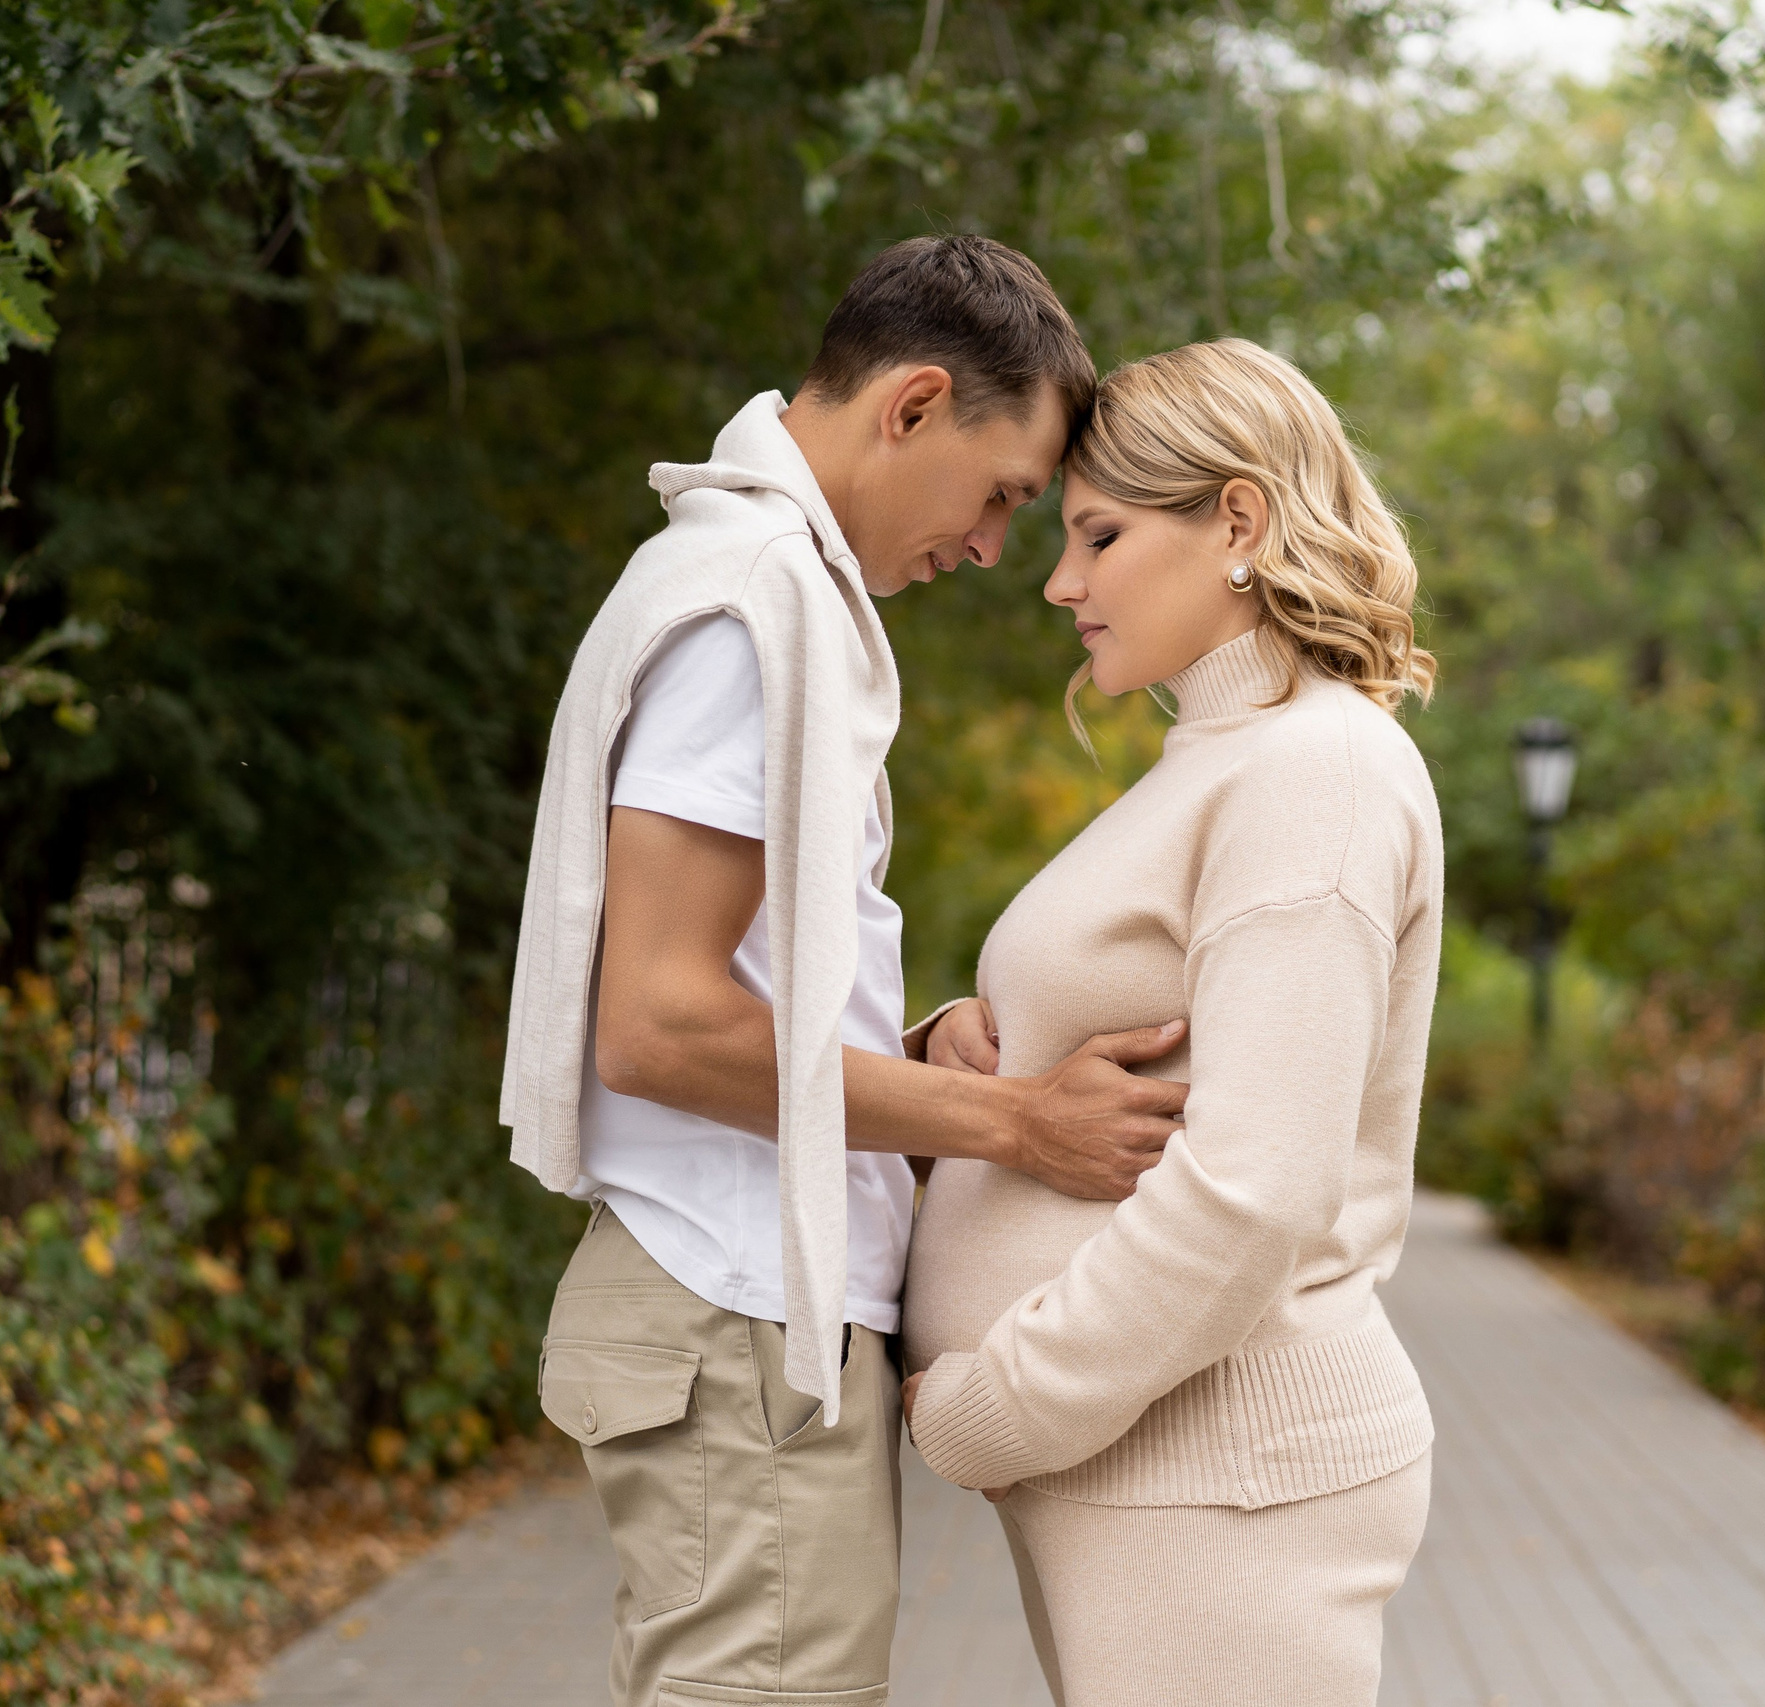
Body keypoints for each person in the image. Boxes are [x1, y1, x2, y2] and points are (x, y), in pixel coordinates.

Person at [500, 235, 1191, 1707]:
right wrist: (1016, 1125)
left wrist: (916, 1035)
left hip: (744, 1320)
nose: (1000, 549)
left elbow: (733, 970)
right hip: (734, 1312)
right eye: (1004, 493)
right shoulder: (756, 604)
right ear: (915, 404)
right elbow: (662, 1024)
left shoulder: (761, 584)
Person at [901, 338, 1444, 1707]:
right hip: (1166, 1480)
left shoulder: (1311, 767)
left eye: (1099, 535)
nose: (1059, 581)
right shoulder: (1225, 760)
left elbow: (1257, 1190)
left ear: (1239, 521)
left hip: (1223, 1486)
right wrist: (982, 1037)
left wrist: (992, 1409)